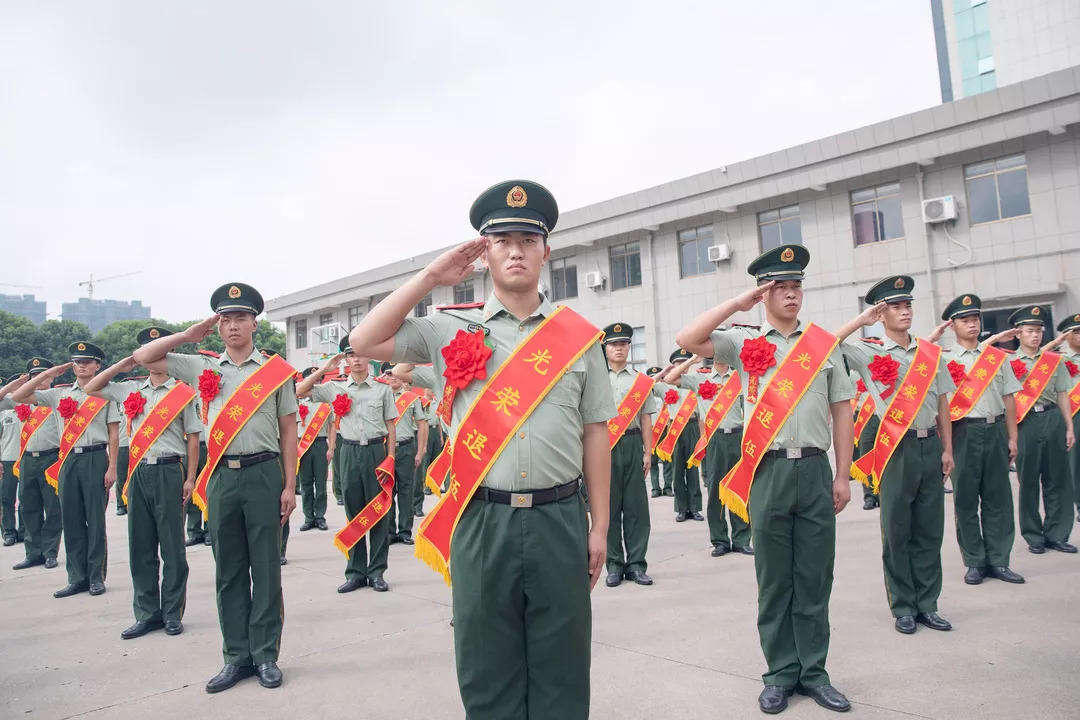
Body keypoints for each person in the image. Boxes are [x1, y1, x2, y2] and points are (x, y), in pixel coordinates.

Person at [350, 179, 615, 720]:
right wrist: (429, 277)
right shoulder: (449, 329)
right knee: (484, 663)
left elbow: (596, 432)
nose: (515, 250)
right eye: (501, 241)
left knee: (562, 666)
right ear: (484, 252)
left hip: (560, 516)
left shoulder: (580, 338)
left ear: (547, 250)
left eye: (527, 239)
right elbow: (364, 342)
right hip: (481, 517)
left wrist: (600, 525)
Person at [676, 243, 854, 715]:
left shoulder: (823, 346)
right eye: (782, 287)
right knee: (775, 580)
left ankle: (814, 674)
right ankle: (779, 674)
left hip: (816, 470)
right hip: (768, 470)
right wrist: (738, 304)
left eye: (797, 286)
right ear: (765, 293)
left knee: (814, 578)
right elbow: (688, 337)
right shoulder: (745, 344)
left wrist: (843, 474)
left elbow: (842, 411)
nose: (792, 293)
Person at [133, 283, 298, 693]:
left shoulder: (274, 371)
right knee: (228, 570)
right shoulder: (201, 368)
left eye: (241, 318)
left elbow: (289, 430)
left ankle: (265, 656)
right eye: (226, 319)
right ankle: (235, 657)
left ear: (255, 324)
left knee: (265, 568)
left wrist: (290, 484)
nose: (233, 326)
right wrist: (189, 336)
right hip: (222, 475)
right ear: (218, 326)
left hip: (264, 474)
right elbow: (143, 357)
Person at [836, 276, 955, 636]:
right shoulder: (868, 350)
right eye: (895, 307)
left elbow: (943, 404)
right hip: (894, 450)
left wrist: (948, 448)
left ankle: (928, 604)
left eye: (907, 305)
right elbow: (826, 345)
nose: (904, 312)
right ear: (881, 313)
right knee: (898, 529)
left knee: (930, 530)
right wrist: (860, 321)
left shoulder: (930, 353)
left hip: (930, 444)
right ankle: (904, 605)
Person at [85, 326, 200, 638]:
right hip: (138, 473)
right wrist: (121, 367)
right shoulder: (129, 390)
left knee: (173, 546)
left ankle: (172, 612)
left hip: (169, 471)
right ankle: (147, 613)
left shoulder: (183, 392)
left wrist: (190, 478)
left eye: (158, 349)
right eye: (146, 350)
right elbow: (91, 388)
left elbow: (192, 439)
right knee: (141, 545)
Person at [927, 295, 1025, 585]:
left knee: (998, 498)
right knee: (967, 499)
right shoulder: (944, 360)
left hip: (995, 430)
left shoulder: (997, 359)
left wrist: (1013, 438)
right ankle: (974, 561)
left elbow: (1009, 400)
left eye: (975, 318)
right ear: (952, 325)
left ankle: (999, 560)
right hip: (962, 433)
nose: (971, 324)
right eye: (964, 320)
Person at [14, 342, 121, 599]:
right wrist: (48, 374)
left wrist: (113, 467)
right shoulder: (59, 395)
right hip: (67, 461)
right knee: (71, 520)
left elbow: (114, 433)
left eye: (87, 361)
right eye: (76, 361)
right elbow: (19, 396)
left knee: (94, 521)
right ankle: (76, 577)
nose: (81, 365)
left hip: (96, 458)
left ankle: (96, 577)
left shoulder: (105, 393)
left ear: (98, 365)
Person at [296, 338, 396, 593]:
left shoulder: (382, 389)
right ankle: (355, 572)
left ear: (369, 358)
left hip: (376, 451)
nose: (357, 359)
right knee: (354, 513)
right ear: (346, 359)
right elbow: (300, 390)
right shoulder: (333, 388)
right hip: (348, 451)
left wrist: (390, 458)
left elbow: (391, 426)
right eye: (351, 355)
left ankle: (377, 572)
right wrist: (326, 366)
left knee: (379, 513)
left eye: (362, 354)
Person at [663, 354, 753, 556]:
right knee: (715, 489)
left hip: (738, 436)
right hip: (714, 439)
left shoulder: (740, 377)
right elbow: (670, 379)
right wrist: (692, 360)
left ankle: (742, 539)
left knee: (740, 488)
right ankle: (720, 540)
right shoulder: (700, 378)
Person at [1005, 305, 1076, 554]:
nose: (1035, 336)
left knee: (1057, 478)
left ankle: (1057, 533)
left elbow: (1063, 394)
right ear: (1018, 334)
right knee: (1029, 481)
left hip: (1053, 418)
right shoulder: (1008, 362)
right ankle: (1033, 535)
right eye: (1029, 331)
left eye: (1038, 331)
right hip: (1025, 423)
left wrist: (1069, 427)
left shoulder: (1054, 361)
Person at [601, 323, 657, 587]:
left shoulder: (640, 380)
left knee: (636, 507)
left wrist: (649, 452)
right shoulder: (596, 378)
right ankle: (613, 565)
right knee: (608, 507)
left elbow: (646, 419)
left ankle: (636, 564)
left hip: (634, 445)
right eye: (614, 344)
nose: (619, 348)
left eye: (623, 344)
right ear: (605, 348)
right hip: (604, 446)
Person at [7, 360, 63, 571]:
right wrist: (17, 384)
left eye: (44, 375)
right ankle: (33, 553)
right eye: (35, 376)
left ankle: (50, 552)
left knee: (53, 508)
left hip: (51, 458)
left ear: (51, 378)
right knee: (28, 507)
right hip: (27, 459)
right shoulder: (20, 401)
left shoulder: (57, 399)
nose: (39, 380)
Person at [657, 349, 704, 522]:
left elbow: (700, 415)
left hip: (692, 427)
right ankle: (681, 509)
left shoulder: (694, 383)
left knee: (692, 470)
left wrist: (702, 436)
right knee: (677, 472)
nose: (681, 367)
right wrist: (662, 373)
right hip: (674, 431)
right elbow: (647, 385)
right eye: (678, 363)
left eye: (685, 363)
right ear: (673, 365)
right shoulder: (664, 386)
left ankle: (695, 508)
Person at [383, 362, 428, 545]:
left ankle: (405, 531)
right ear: (385, 376)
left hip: (406, 448)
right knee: (387, 491)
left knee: (406, 491)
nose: (393, 377)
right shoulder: (380, 396)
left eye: (395, 373)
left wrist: (421, 450)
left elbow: (422, 424)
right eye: (389, 374)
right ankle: (390, 531)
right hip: (385, 450)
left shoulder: (412, 398)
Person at [1043, 313, 1080, 522]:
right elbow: (1036, 355)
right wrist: (1055, 343)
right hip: (1074, 414)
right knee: (1075, 464)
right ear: (1066, 336)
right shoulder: (1059, 359)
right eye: (1075, 332)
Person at [296, 367, 331, 532]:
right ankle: (308, 517)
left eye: (318, 380)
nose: (315, 383)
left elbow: (331, 425)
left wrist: (332, 447)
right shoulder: (298, 401)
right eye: (311, 380)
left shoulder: (325, 403)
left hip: (320, 444)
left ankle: (320, 516)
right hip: (302, 445)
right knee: (306, 483)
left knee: (321, 483)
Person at [0, 376, 27, 546]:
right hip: (8, 459)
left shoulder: (33, 407)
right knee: (6, 498)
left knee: (27, 498)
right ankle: (8, 532)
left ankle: (25, 531)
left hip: (26, 458)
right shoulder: (3, 412)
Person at [644, 365, 669, 498]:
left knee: (667, 459)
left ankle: (668, 486)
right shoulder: (646, 392)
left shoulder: (667, 391)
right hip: (651, 430)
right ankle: (655, 488)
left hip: (665, 429)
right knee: (652, 462)